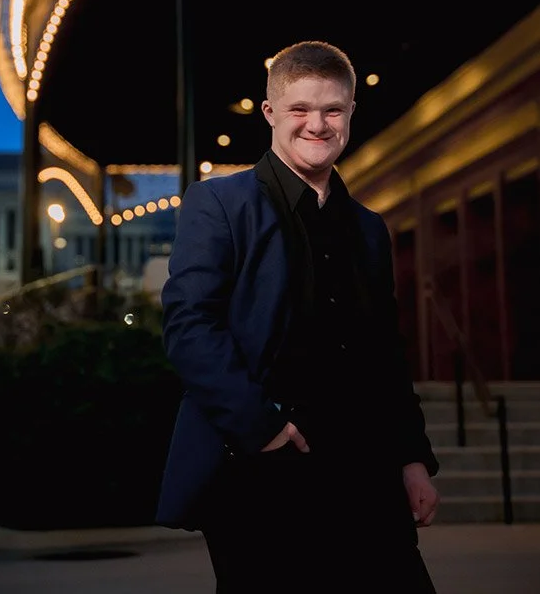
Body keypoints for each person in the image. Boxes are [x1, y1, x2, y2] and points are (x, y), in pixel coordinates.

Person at [155, 40, 441, 592]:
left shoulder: (368, 228)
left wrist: (411, 459)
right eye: (300, 109)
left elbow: (386, 353)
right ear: (270, 112)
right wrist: (262, 428)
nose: (317, 124)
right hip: (259, 470)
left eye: (332, 110)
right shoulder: (219, 204)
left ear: (351, 113)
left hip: (365, 471)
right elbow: (190, 327)